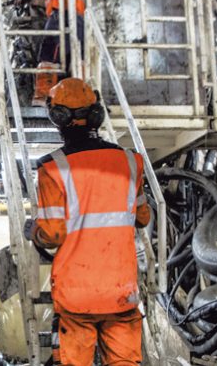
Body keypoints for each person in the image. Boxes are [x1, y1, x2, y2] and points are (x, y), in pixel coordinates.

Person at [23, 78, 151, 365]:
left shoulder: (52, 168)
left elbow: (52, 235)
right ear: (96, 115)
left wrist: (33, 232)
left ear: (57, 118)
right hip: (121, 291)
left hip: (76, 296)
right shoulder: (131, 162)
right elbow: (143, 218)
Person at [29, 0, 86, 104]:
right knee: (75, 59)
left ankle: (43, 97)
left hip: (61, 16)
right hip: (78, 18)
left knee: (48, 55)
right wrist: (36, 0)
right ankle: (79, 96)